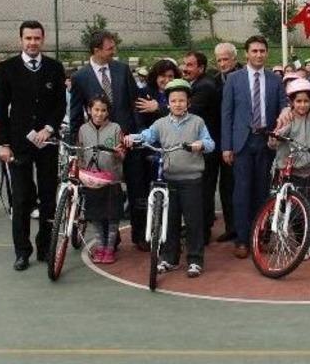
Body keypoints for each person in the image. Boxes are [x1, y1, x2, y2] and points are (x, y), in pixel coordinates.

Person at [123, 79, 215, 278]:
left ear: (188, 102)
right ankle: (169, 258)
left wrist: (201, 144)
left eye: (182, 100)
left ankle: (195, 260)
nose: (178, 104)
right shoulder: (161, 123)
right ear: (167, 103)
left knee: (193, 221)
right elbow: (147, 135)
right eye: (174, 100)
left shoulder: (197, 122)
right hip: (169, 179)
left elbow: (210, 143)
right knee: (169, 220)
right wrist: (132, 137)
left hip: (192, 179)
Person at [0, 21, 67, 271]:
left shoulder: (55, 68)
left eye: (37, 38)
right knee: (23, 199)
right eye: (28, 38)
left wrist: (48, 128)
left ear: (43, 40)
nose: (33, 42)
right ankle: (22, 251)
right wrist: (3, 143)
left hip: (46, 143)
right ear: (21, 40)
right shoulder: (7, 69)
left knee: (48, 198)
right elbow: (1, 110)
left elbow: (60, 105)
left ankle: (45, 247)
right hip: (18, 145)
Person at [70, 30, 146, 251]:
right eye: (110, 47)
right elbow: (76, 113)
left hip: (127, 138)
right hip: (99, 142)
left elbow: (134, 103)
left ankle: (140, 235)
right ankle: (112, 239)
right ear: (96, 50)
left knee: (136, 187)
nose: (114, 50)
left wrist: (138, 132)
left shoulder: (121, 69)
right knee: (104, 190)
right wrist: (76, 144)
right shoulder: (81, 77)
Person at [221, 36, 290, 258]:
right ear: (246, 54)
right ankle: (242, 240)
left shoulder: (274, 80)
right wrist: (226, 146)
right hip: (242, 142)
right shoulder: (233, 79)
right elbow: (227, 114)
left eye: (262, 50)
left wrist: (284, 113)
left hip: (266, 142)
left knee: (262, 191)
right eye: (254, 51)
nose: (259, 54)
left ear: (267, 53)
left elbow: (283, 106)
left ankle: (260, 237)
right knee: (241, 192)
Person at [269, 78, 310, 260]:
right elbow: (273, 141)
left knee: (309, 209)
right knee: (290, 209)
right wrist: (275, 137)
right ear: (291, 102)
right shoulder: (287, 118)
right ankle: (296, 240)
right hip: (288, 170)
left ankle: (309, 243)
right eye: (298, 101)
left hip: (309, 170)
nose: (302, 105)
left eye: (306, 101)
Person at [77, 96, 125, 264]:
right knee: (96, 217)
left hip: (112, 180)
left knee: (112, 217)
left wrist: (119, 153)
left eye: (103, 110)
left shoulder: (115, 128)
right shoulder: (83, 129)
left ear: (108, 112)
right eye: (96, 109)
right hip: (92, 181)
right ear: (89, 110)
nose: (99, 113)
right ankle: (100, 246)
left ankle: (110, 248)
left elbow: (122, 154)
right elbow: (81, 153)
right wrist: (81, 171)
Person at [183, 51, 219, 244]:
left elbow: (188, 111)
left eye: (190, 65)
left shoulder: (205, 86)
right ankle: (200, 228)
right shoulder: (196, 84)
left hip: (206, 148)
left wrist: (158, 107)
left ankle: (203, 232)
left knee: (204, 191)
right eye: (184, 64)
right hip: (200, 148)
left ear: (201, 68)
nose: (185, 68)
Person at [212, 42, 243, 243]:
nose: (223, 63)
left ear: (234, 58)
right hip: (219, 142)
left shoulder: (243, 77)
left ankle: (245, 228)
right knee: (225, 186)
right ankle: (231, 227)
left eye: (226, 59)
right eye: (219, 60)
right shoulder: (213, 81)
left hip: (240, 141)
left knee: (241, 186)